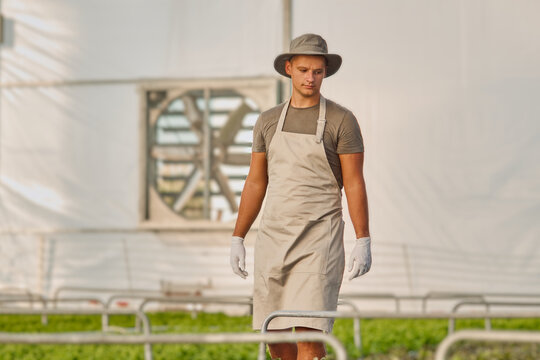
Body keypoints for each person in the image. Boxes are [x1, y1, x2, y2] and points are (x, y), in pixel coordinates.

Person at [230, 33, 371, 360]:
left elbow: (354, 183)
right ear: (289, 69)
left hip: (319, 241)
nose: (311, 78)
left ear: (325, 72)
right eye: (305, 70)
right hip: (274, 238)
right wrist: (238, 236)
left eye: (318, 71)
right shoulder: (267, 121)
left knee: (310, 336)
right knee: (274, 335)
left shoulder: (342, 120)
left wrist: (363, 239)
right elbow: (255, 182)